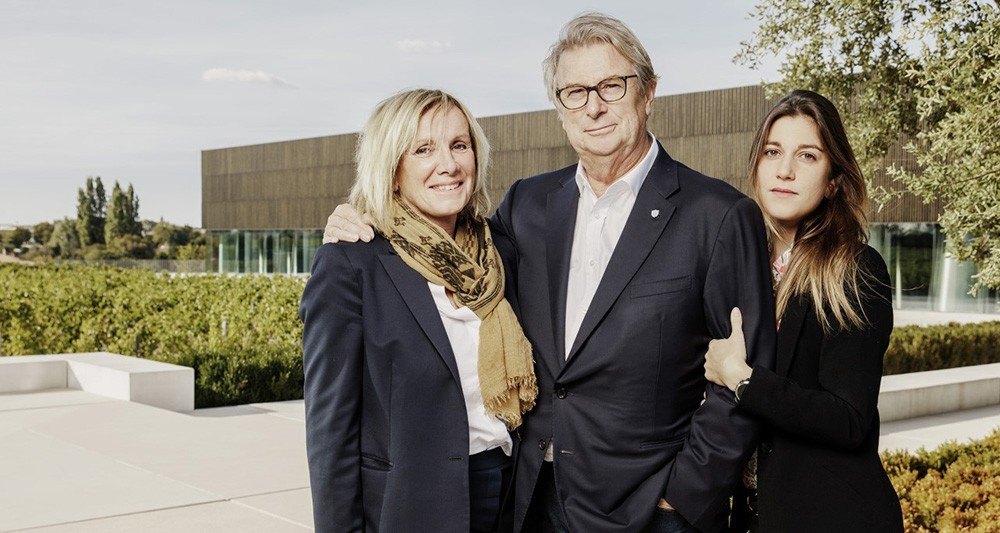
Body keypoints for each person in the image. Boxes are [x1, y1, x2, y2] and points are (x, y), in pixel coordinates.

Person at [324, 13, 777, 533]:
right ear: (559, 107)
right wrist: (364, 218)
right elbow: (442, 249)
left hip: (647, 507)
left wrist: (683, 495)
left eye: (611, 85)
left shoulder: (717, 215)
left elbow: (748, 371)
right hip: (530, 501)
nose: (594, 106)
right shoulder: (528, 205)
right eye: (575, 92)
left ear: (648, 93)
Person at [299, 89, 537, 533]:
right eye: (423, 149)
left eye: (459, 145)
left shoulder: (501, 253)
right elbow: (330, 432)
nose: (447, 164)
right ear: (392, 170)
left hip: (506, 495)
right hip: (407, 507)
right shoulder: (353, 262)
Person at [702, 90, 904, 532]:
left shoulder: (853, 269)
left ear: (833, 180)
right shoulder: (741, 267)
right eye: (773, 151)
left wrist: (741, 378)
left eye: (808, 156)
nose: (785, 170)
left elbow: (848, 418)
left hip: (833, 516)